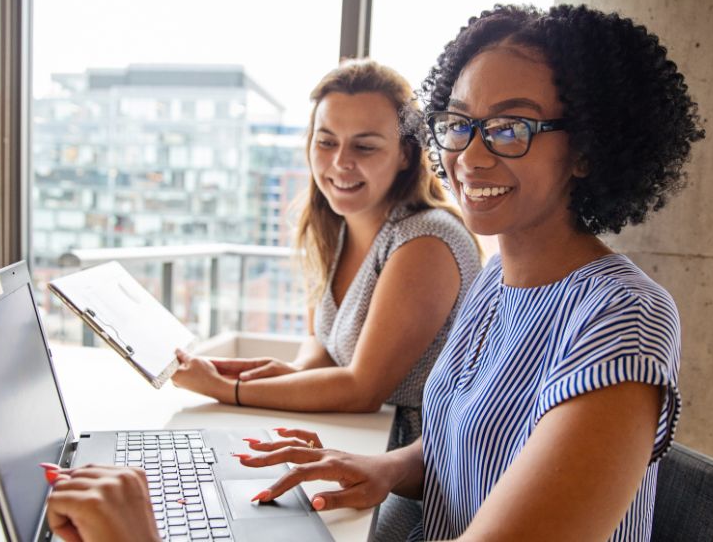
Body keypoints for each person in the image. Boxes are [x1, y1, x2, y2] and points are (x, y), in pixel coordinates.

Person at [46, 3, 703, 542]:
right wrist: (385, 469)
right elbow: (473, 440)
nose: (470, 156)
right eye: (459, 123)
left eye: (510, 128)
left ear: (588, 147)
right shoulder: (497, 279)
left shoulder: (623, 319)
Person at [170, 59, 481, 452]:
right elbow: (321, 340)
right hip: (360, 441)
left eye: (365, 146)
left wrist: (224, 388)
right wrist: (294, 374)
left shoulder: (427, 241)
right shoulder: (337, 225)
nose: (340, 163)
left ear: (405, 154)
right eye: (326, 141)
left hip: (417, 468)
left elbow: (362, 390)